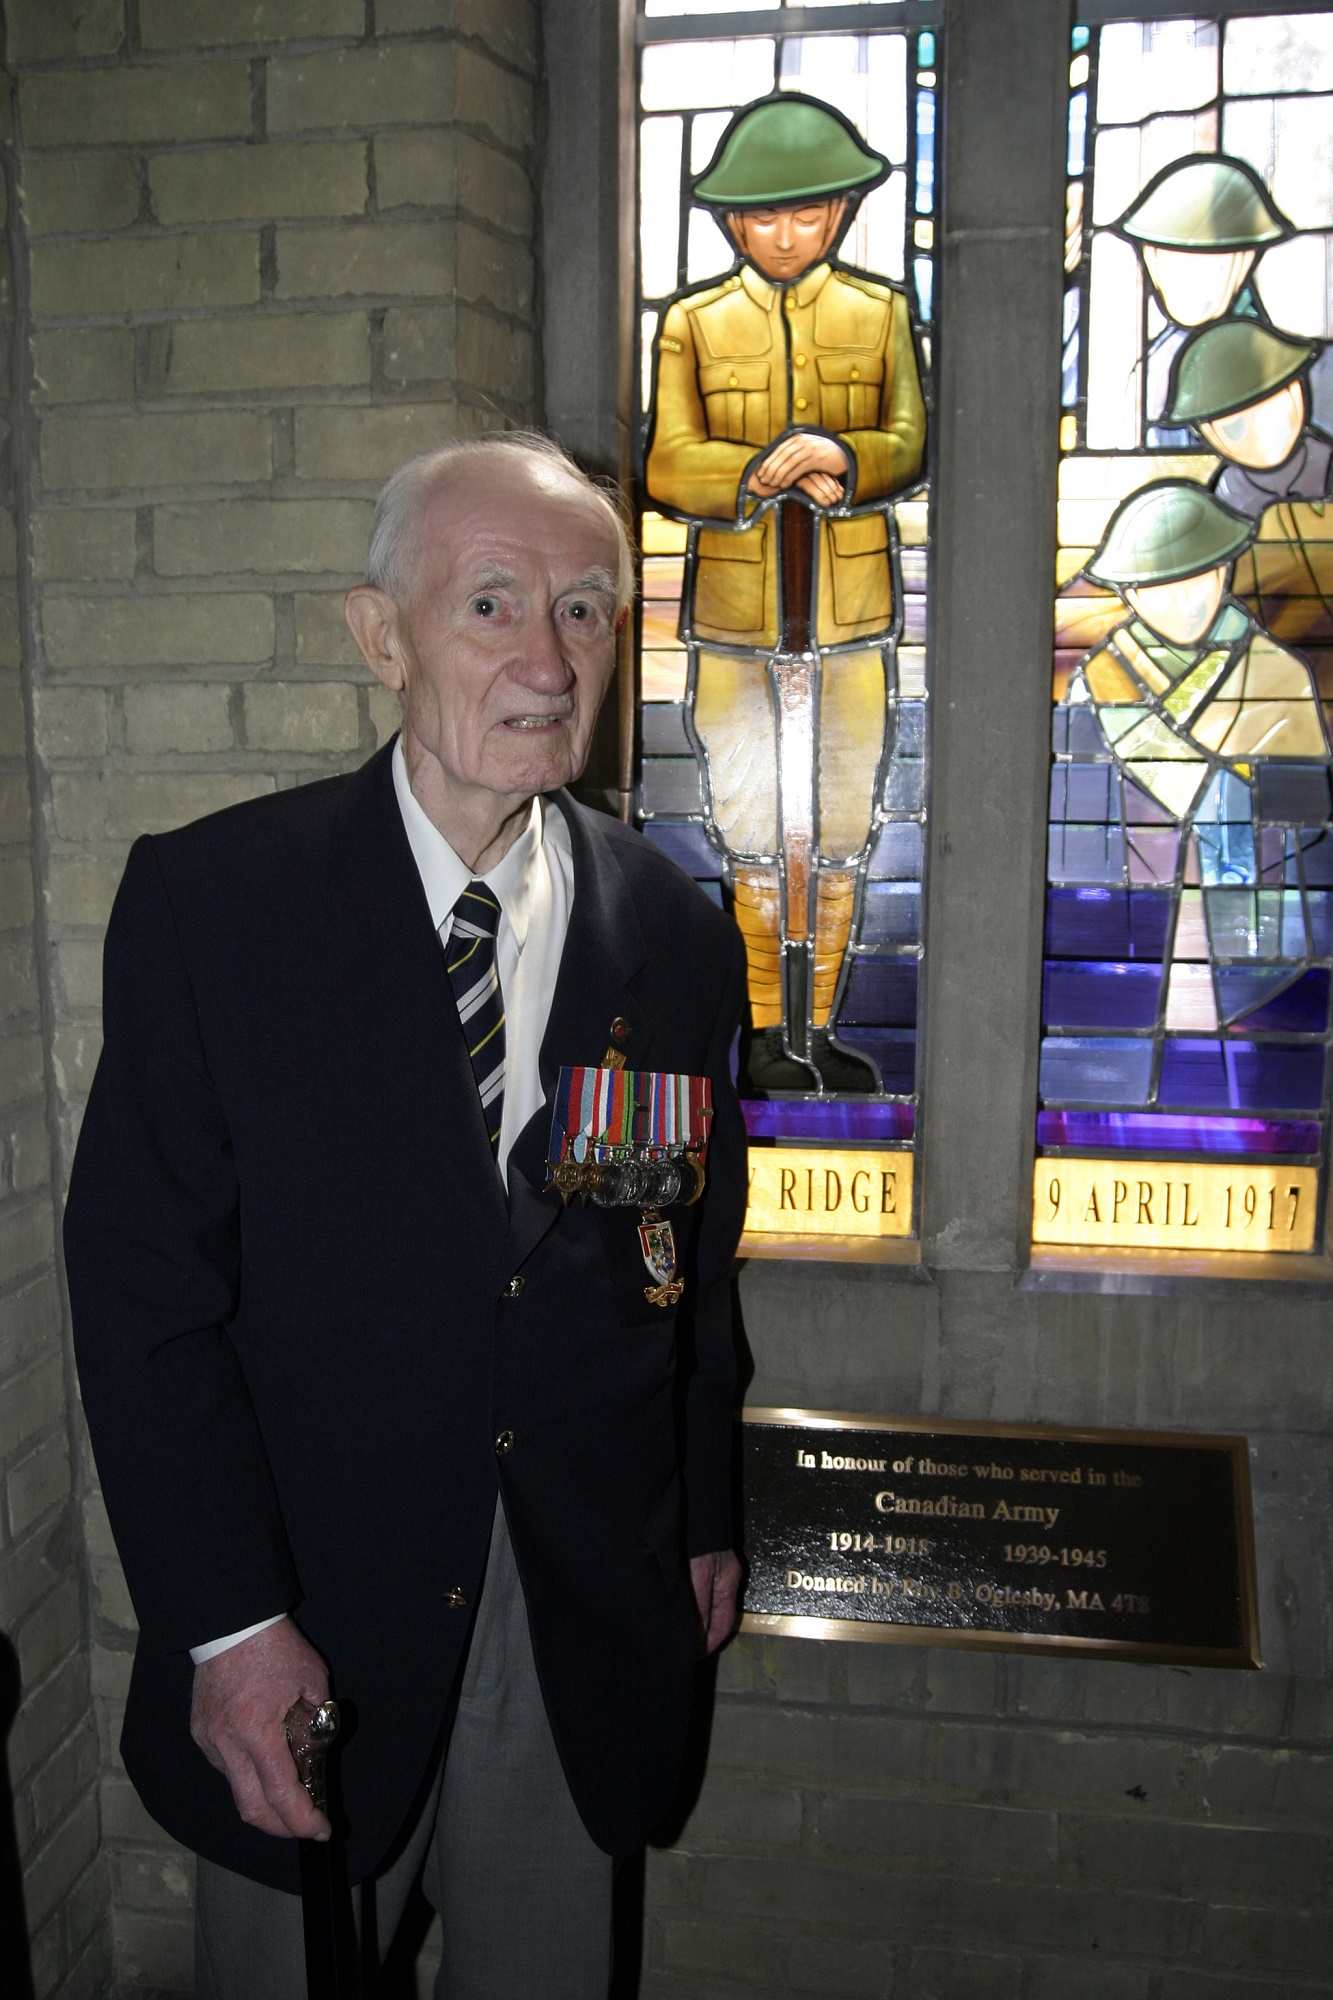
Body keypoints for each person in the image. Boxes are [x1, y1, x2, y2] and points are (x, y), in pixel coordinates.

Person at [63, 433, 749, 1999]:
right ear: (381, 636)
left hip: (581, 1604)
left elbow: (692, 1268)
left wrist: (702, 1506)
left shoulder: (679, 932)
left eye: (585, 611)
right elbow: (141, 1295)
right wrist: (230, 1627)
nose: (548, 659)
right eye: (492, 604)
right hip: (314, 1610)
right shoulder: (215, 904)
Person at [645, 92, 927, 1094]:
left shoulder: (881, 313)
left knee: (843, 825)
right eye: (763, 215)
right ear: (728, 222)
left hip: (850, 620)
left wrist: (845, 459)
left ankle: (821, 1026)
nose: (786, 233)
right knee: (749, 821)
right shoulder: (691, 322)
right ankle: (767, 1030)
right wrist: (751, 471)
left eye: (809, 212)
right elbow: (667, 465)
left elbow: (908, 443)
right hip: (733, 621)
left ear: (844, 212)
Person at [1075, 478, 1332, 1026]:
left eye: (1200, 576)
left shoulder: (1279, 676)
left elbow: (1310, 832)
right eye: (1161, 586)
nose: (1187, 600)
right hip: (1124, 950)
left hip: (1268, 958)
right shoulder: (1097, 682)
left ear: (1225, 573)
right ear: (1131, 593)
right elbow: (1075, 828)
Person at [1165, 318, 1333, 699]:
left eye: (1269, 410)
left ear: (1297, 393)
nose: (1261, 434)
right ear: (1208, 435)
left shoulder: (1328, 464)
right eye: (1236, 427)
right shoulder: (1225, 499)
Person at [1113, 155, 1292, 445]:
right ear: (1151, 262)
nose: (1190, 287)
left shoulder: (1268, 358)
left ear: (1243, 264)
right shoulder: (1159, 361)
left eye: (1212, 268)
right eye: (1176, 267)